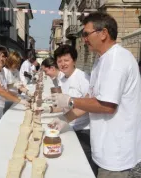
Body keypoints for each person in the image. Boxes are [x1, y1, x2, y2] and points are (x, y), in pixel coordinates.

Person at [50, 12, 141, 178]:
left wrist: (70, 100)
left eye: (86, 34)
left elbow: (107, 106)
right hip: (104, 145)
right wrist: (65, 118)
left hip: (115, 151)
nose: (84, 39)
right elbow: (90, 100)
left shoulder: (116, 60)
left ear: (104, 33)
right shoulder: (101, 59)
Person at [39, 46, 96, 175]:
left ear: (74, 60)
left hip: (84, 130)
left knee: (86, 168)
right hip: (70, 127)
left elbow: (88, 105)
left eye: (66, 60)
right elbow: (66, 104)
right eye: (60, 61)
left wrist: (64, 119)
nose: (63, 64)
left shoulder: (83, 78)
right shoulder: (62, 79)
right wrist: (49, 109)